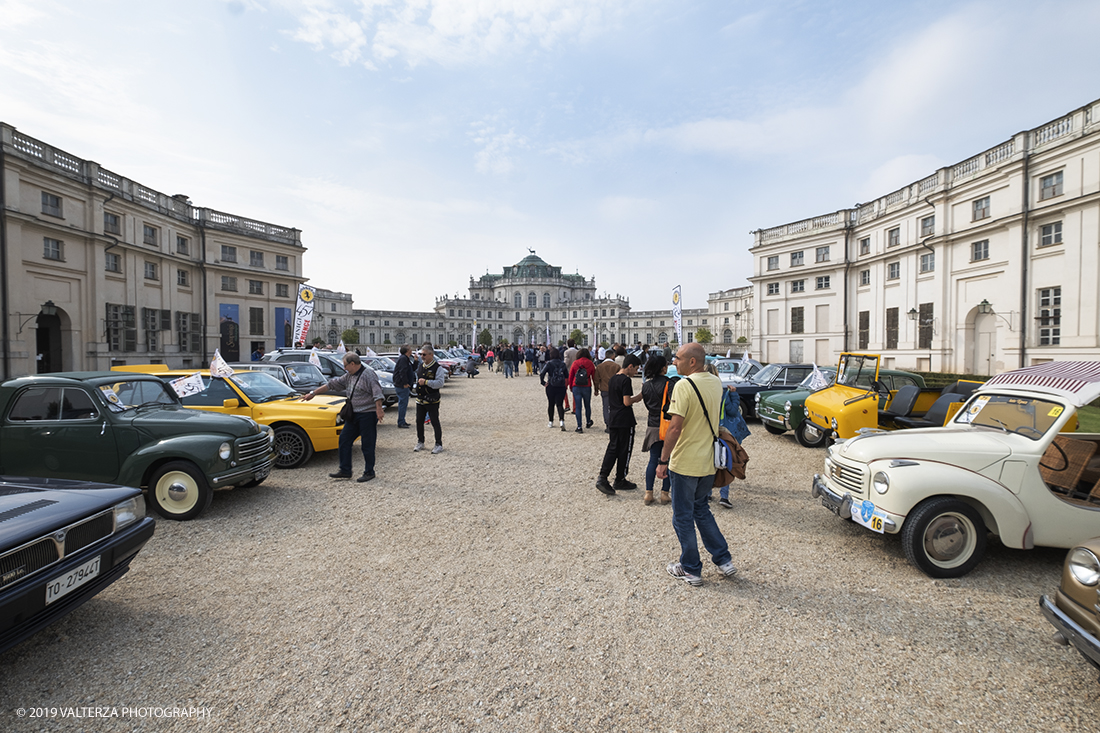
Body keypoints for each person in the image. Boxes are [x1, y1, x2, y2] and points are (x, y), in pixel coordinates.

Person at [656, 343, 737, 586]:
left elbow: (675, 428)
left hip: (685, 462)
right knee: (702, 511)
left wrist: (662, 460)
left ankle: (691, 568)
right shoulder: (714, 382)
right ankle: (724, 560)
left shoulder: (684, 385)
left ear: (692, 361)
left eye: (678, 358)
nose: (673, 362)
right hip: (707, 462)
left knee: (682, 517)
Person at [304, 352, 384, 483]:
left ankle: (369, 472)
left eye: (345, 365)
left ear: (353, 364)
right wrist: (313, 393)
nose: (344, 368)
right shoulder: (349, 376)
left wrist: (379, 409)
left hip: (367, 415)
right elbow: (332, 384)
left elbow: (377, 392)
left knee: (367, 444)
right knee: (344, 440)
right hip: (353, 414)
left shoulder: (368, 374)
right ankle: (345, 470)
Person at [595, 354, 644, 495]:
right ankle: (620, 478)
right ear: (629, 366)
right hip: (624, 418)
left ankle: (603, 476)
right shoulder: (625, 380)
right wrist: (640, 397)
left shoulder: (613, 379)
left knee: (613, 448)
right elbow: (627, 401)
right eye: (635, 369)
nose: (636, 372)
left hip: (613, 417)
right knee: (625, 450)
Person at [712, 371, 751, 509]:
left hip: (707, 430)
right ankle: (724, 495)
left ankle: (707, 492)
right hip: (724, 432)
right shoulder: (722, 392)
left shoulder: (702, 391)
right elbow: (734, 411)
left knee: (710, 460)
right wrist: (734, 394)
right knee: (726, 460)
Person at [641, 354, 675, 505]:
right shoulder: (670, 384)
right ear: (663, 368)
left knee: (653, 459)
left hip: (653, 424)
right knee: (667, 458)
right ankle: (664, 493)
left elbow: (647, 405)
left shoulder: (646, 386)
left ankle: (648, 492)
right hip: (667, 424)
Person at [414, 344, 445, 454]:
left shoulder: (437, 368)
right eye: (421, 354)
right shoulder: (421, 366)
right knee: (419, 421)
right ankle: (420, 441)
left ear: (431, 355)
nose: (422, 356)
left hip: (432, 400)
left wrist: (426, 382)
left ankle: (438, 443)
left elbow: (440, 383)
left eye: (424, 354)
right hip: (420, 399)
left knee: (434, 422)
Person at [540, 347, 569, 431]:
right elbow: (566, 375)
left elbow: (542, 373)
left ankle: (551, 421)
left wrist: (543, 382)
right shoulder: (562, 364)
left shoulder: (549, 363)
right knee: (560, 404)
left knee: (551, 404)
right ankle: (561, 421)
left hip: (551, 385)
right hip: (561, 386)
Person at [568, 348, 596, 433]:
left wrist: (570, 386)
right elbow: (594, 376)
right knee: (587, 405)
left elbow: (571, 375)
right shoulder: (590, 363)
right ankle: (588, 421)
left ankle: (579, 426)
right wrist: (596, 388)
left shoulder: (575, 363)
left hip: (576, 385)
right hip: (587, 385)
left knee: (578, 407)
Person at [593, 353, 619, 434]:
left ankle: (608, 424)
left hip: (604, 389)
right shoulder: (616, 366)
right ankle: (614, 423)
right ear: (612, 356)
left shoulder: (600, 366)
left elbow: (596, 379)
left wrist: (596, 389)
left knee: (605, 407)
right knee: (614, 407)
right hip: (614, 389)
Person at [393, 345, 415, 428]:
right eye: (410, 349)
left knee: (404, 403)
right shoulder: (403, 359)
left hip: (403, 384)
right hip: (402, 385)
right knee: (403, 403)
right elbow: (402, 372)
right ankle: (401, 422)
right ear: (407, 351)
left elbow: (412, 369)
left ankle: (402, 420)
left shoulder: (406, 358)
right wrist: (405, 383)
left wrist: (415, 361)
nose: (411, 350)